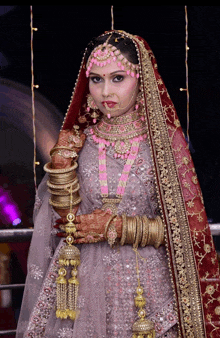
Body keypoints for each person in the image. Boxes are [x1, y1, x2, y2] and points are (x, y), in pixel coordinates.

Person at [16, 30, 220, 338]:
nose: (105, 91)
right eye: (96, 79)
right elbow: (66, 221)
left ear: (141, 79)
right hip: (84, 286)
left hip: (149, 288)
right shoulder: (80, 142)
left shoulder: (164, 145)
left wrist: (118, 228)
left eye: (117, 78)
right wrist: (61, 167)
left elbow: (186, 228)